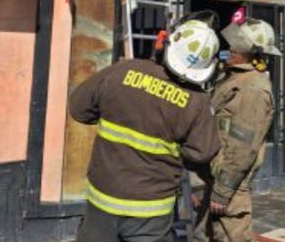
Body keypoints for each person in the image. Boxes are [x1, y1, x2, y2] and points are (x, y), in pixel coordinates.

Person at [70, 13, 221, 242]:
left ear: (167, 43)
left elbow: (79, 108)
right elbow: (203, 152)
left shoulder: (122, 71)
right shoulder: (197, 102)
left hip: (102, 201)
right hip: (152, 212)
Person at [194, 17, 281, 241]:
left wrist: (222, 193)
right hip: (215, 177)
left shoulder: (253, 89)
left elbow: (243, 148)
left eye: (237, 45)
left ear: (252, 52)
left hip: (229, 187)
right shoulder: (235, 77)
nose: (230, 48)